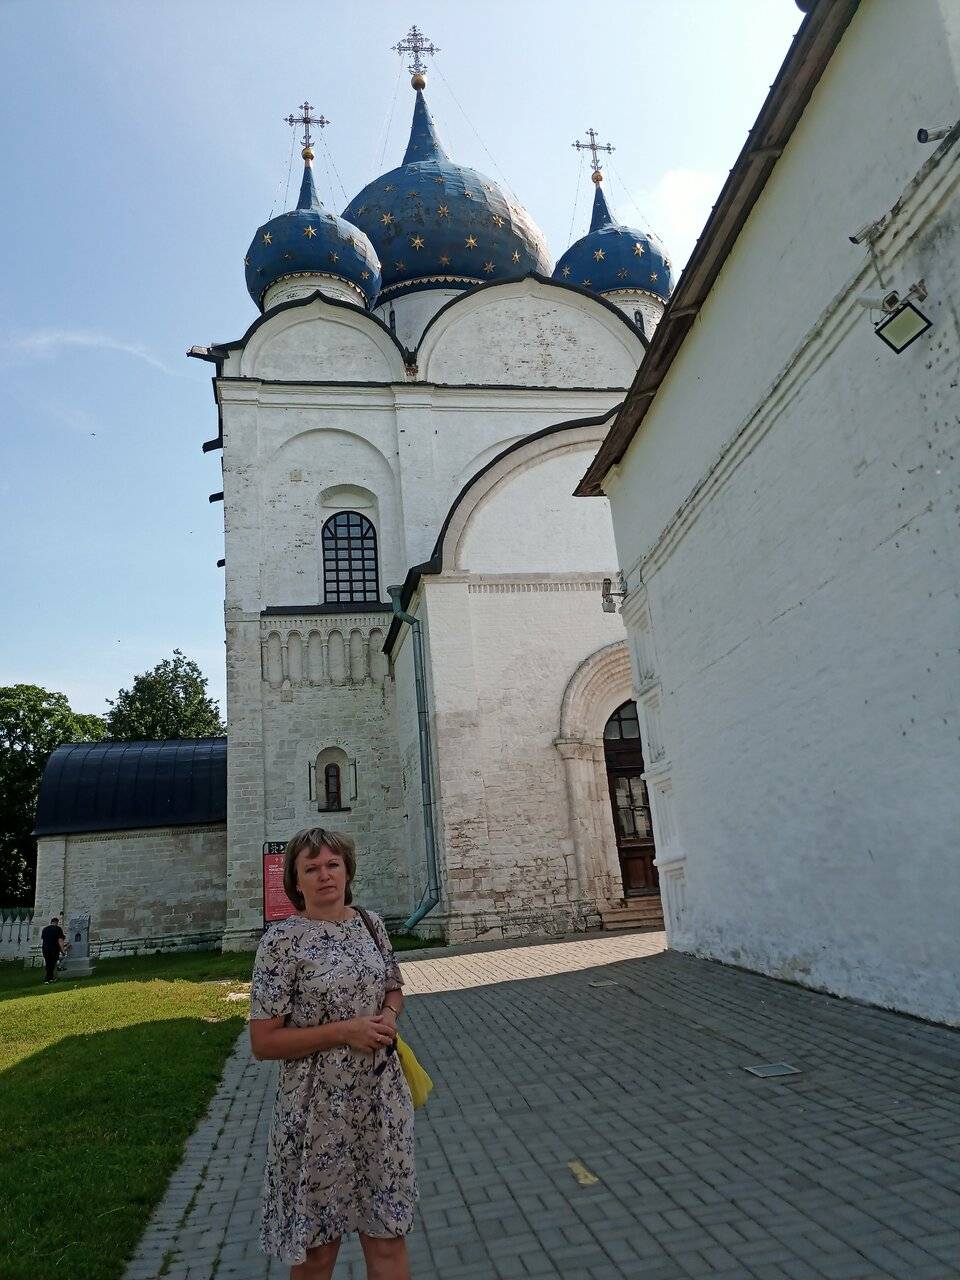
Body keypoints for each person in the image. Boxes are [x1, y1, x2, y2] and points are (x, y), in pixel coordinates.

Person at [249, 827, 416, 1280]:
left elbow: (394, 986)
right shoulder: (281, 944)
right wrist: (345, 1032)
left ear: (347, 870)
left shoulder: (369, 923)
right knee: (318, 1250)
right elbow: (263, 1042)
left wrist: (388, 1014)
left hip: (380, 1102)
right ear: (295, 882)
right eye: (311, 868)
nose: (324, 875)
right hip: (315, 1112)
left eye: (333, 864)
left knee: (388, 1235)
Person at [40, 916, 66, 983]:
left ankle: (48, 978)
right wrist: (62, 950)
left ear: (51, 922)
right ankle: (49, 978)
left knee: (48, 963)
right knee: (52, 963)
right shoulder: (58, 929)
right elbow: (60, 940)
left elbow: (43, 939)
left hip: (45, 948)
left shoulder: (45, 929)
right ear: (56, 922)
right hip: (54, 948)